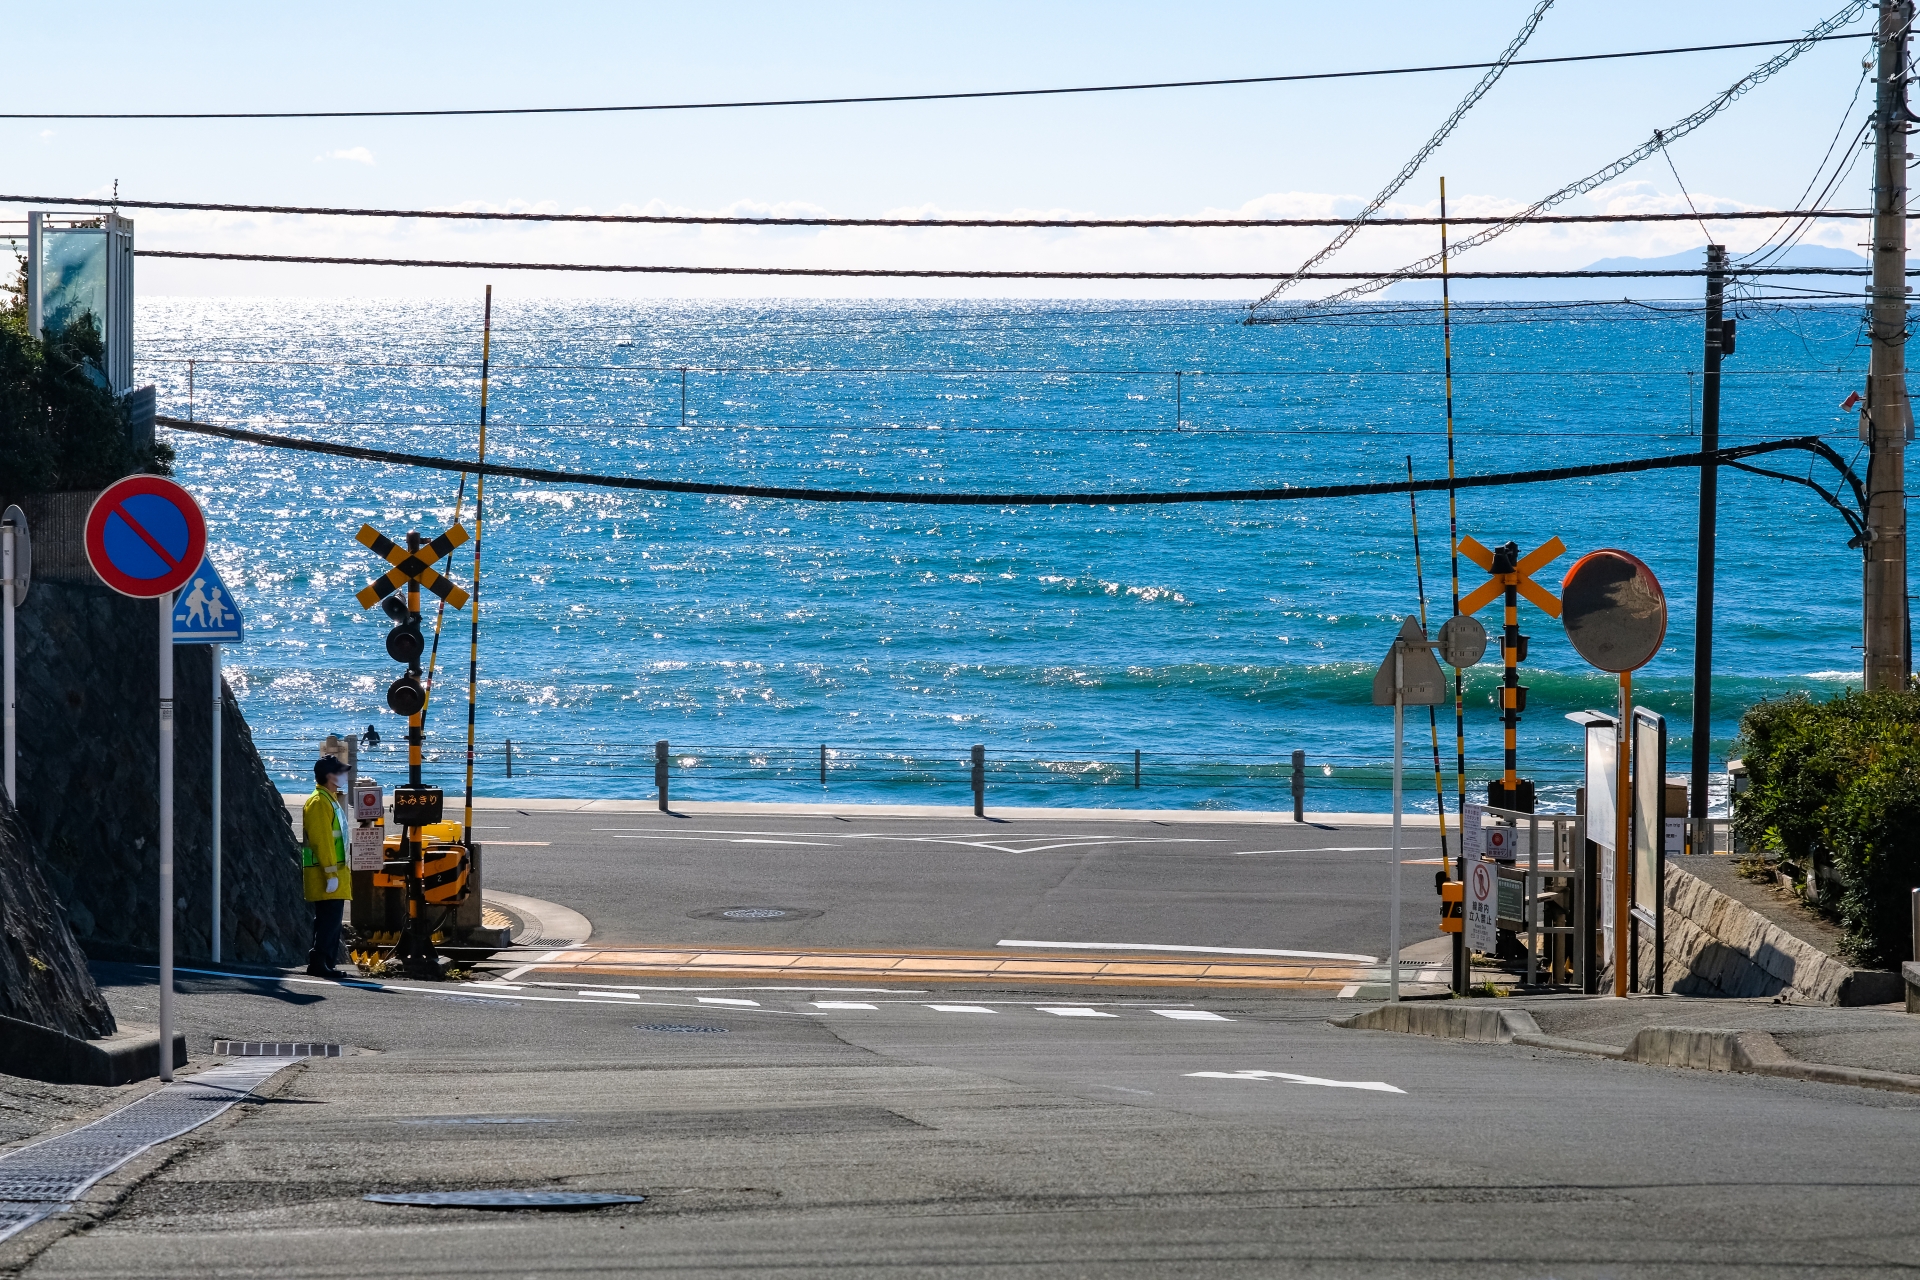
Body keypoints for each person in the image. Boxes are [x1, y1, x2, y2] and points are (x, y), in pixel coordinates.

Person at [301, 754, 353, 978]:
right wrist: (330, 873)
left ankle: (326, 962)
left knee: (331, 920)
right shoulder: (319, 802)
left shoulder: (329, 799)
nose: (344, 776)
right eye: (340, 772)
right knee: (327, 920)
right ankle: (319, 961)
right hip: (325, 873)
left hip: (335, 872)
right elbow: (322, 841)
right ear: (330, 775)